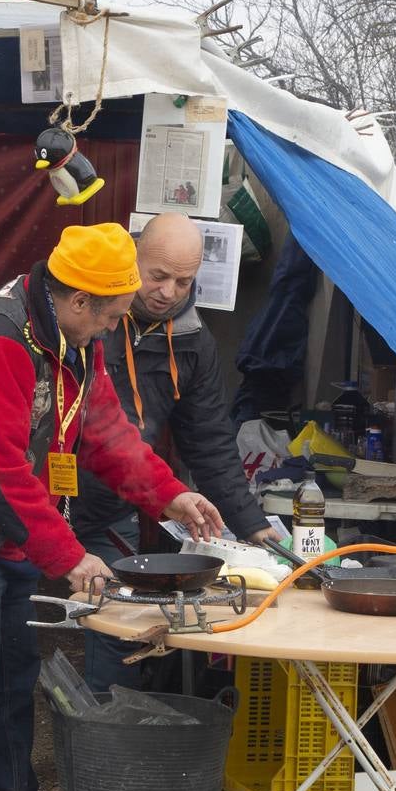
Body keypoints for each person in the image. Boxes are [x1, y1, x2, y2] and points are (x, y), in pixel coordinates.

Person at [0, 223, 225, 791]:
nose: (119, 326)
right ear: (78, 299)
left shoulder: (77, 336)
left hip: (12, 532)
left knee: (13, 676)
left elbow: (108, 434)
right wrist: (68, 556)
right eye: (113, 315)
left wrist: (169, 496)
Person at [73, 212, 275, 693]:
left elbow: (210, 442)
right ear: (132, 256)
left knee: (116, 628)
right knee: (14, 632)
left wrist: (255, 526)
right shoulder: (88, 318)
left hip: (112, 507)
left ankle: (108, 737)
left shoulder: (192, 343)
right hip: (43, 494)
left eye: (183, 281)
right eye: (157, 275)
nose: (168, 291)